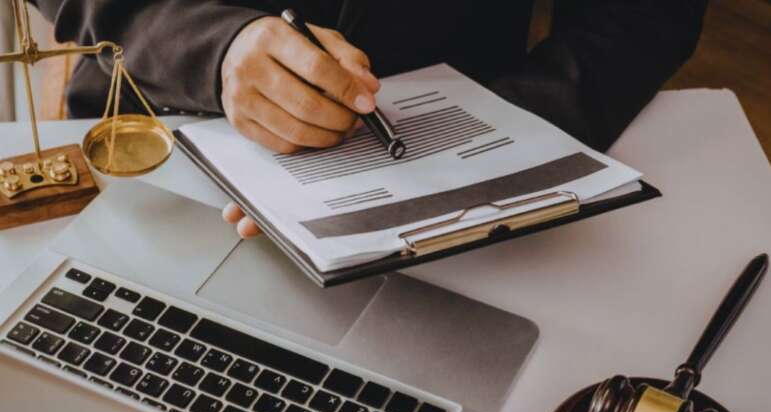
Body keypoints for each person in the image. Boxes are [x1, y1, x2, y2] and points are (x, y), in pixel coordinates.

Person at [33, 0, 708, 237]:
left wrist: (492, 130)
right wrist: (210, 49)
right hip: (150, 151)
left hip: (466, 191)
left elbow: (644, 11)